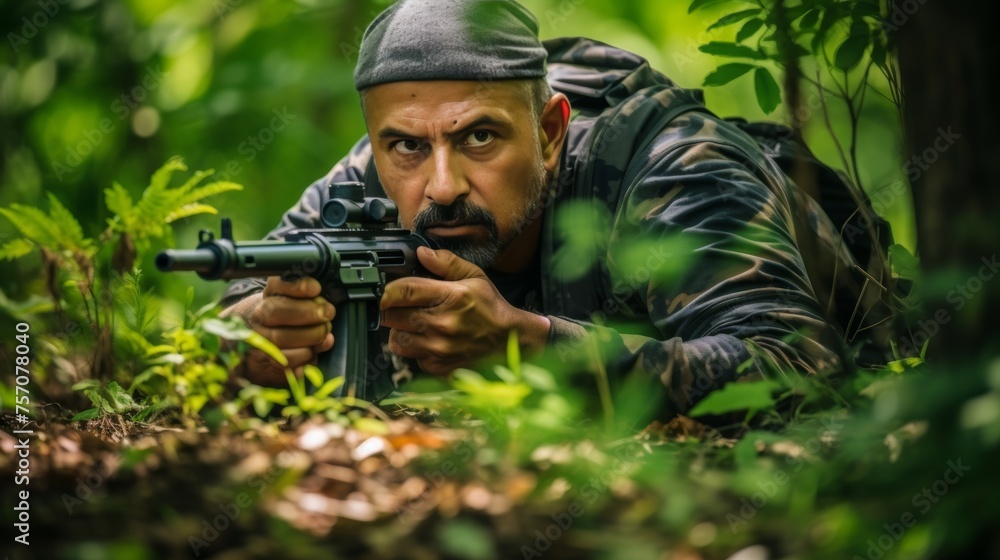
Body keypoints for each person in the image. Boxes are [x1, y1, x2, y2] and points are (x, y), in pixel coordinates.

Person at [220, 0, 897, 417]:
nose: (443, 184)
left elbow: (800, 369)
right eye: (404, 145)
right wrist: (254, 342)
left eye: (478, 136)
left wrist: (532, 345)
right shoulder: (369, 180)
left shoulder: (672, 168)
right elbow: (218, 326)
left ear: (549, 131)